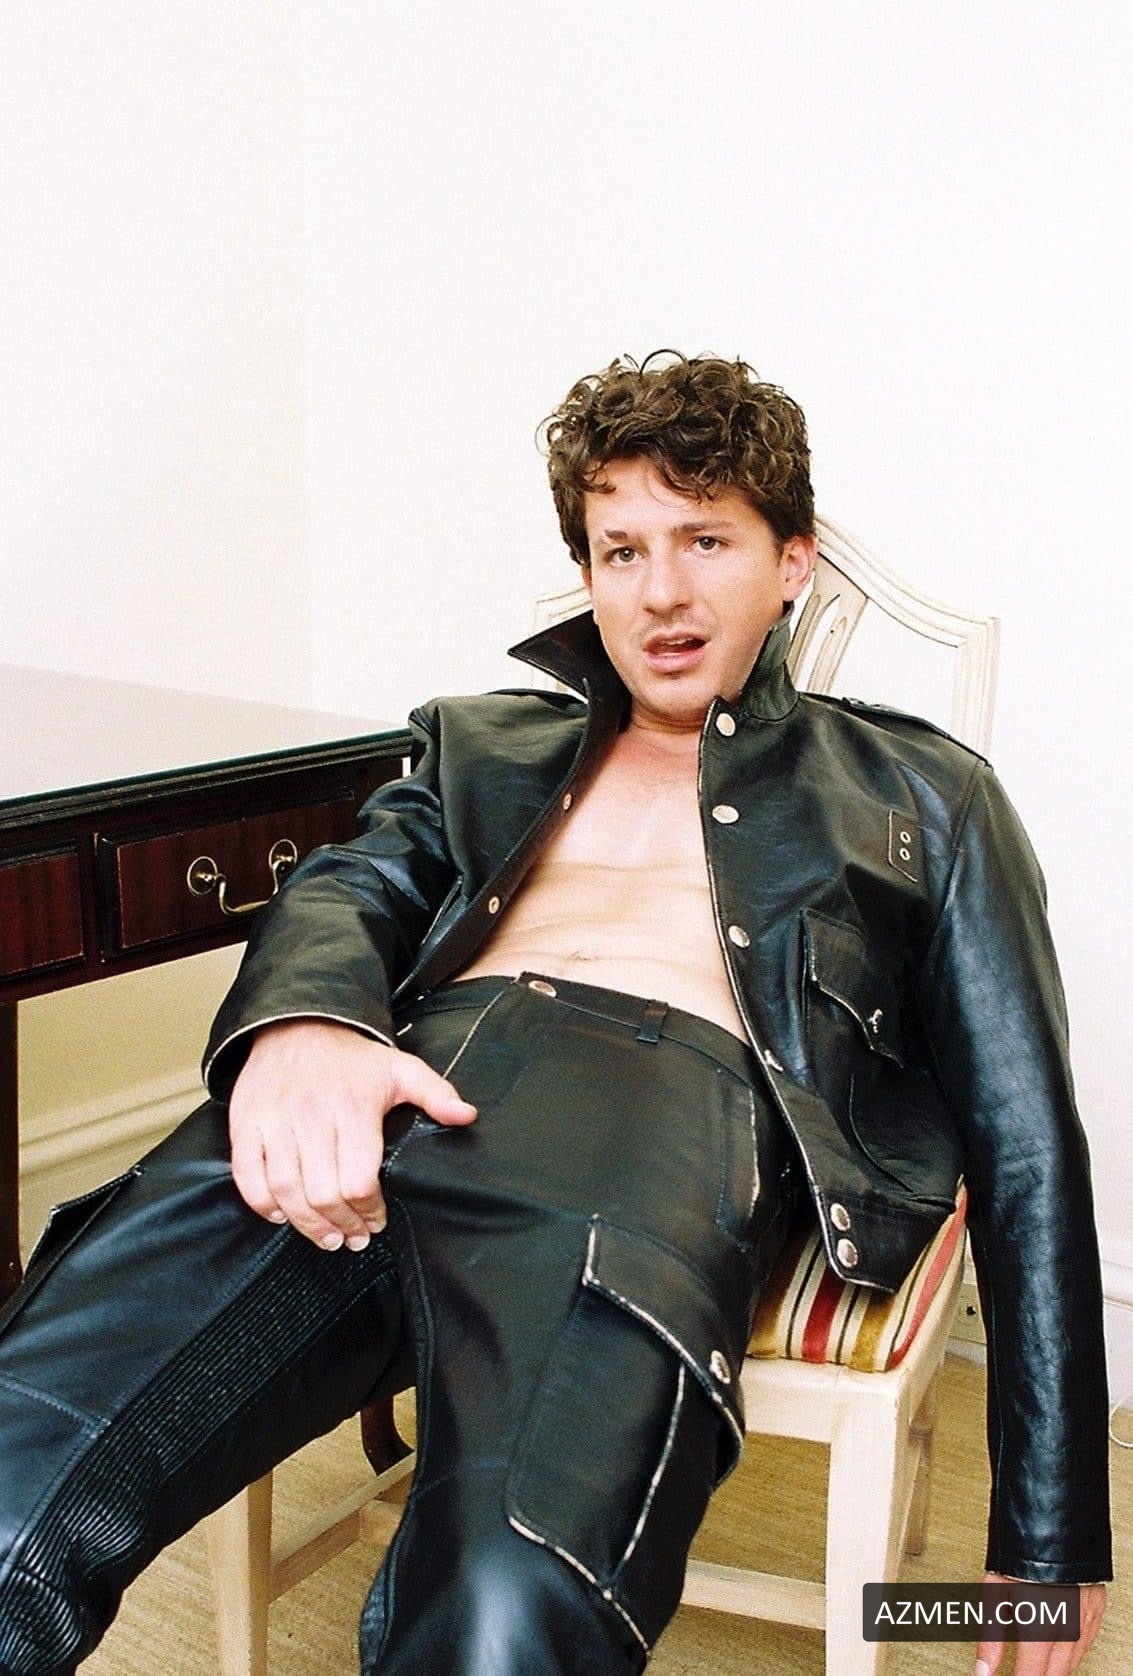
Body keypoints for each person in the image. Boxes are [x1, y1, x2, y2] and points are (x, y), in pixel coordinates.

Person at [0, 353, 1111, 1675]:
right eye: (620, 549)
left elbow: (1026, 1143)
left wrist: (1049, 1540)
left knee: (508, 1604)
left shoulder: (926, 792)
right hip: (378, 1090)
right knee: (15, 1476)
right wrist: (305, 1027)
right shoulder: (480, 741)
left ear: (792, 561)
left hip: (646, 1137)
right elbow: (350, 891)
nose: (660, 591)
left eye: (705, 540)